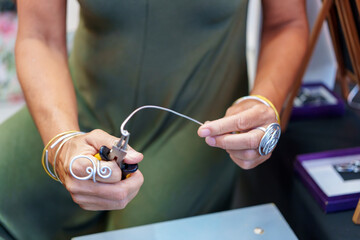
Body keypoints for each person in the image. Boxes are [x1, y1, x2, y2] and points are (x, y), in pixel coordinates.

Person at [0, 0, 308, 239]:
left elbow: (286, 24)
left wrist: (263, 100)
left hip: (198, 131)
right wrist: (62, 140)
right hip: (76, 108)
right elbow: (39, 36)